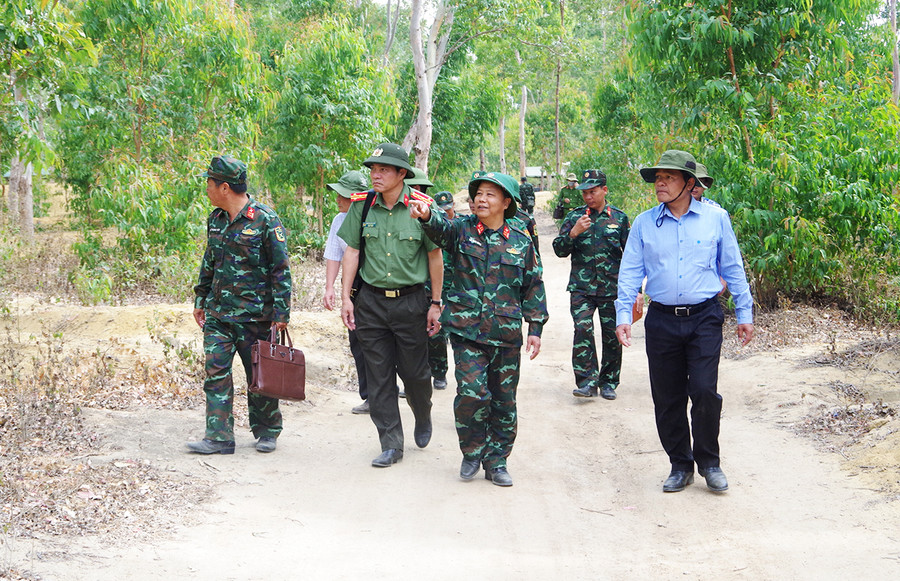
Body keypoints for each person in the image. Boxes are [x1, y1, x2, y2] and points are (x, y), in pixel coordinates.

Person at [614, 150, 754, 493]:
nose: (660, 184)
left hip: (704, 316)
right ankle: (680, 464)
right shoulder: (645, 223)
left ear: (689, 184)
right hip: (661, 320)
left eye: (669, 178)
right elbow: (630, 272)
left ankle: (709, 462)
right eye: (658, 178)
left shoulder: (715, 218)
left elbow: (733, 267)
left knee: (705, 390)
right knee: (668, 396)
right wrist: (622, 316)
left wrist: (744, 312)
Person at [409, 171, 548, 487]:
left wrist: (536, 327)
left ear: (506, 202)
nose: (481, 200)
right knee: (473, 393)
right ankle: (472, 451)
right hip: (467, 330)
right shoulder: (461, 230)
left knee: (504, 400)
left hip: (506, 334)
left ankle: (497, 461)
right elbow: (440, 229)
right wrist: (427, 214)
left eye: (490, 194)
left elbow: (533, 285)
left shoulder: (521, 240)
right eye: (478, 194)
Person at [337, 143, 443, 468]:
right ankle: (391, 443)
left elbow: (435, 255)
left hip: (411, 302)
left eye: (383, 169)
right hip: (370, 302)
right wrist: (345, 297)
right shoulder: (362, 205)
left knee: (415, 374)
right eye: (373, 169)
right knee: (378, 374)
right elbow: (352, 252)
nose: (376, 175)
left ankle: (422, 413)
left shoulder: (422, 206)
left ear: (401, 174)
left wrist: (435, 303)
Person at [188, 155, 292, 455]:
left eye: (209, 183)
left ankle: (267, 430)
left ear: (224, 187)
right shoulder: (215, 219)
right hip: (219, 314)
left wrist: (281, 312)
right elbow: (209, 262)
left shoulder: (265, 220)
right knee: (215, 371)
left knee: (259, 377)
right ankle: (219, 437)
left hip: (255, 316)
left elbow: (280, 268)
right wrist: (200, 298)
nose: (206, 188)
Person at [552, 169, 629, 401]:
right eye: (585, 192)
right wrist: (574, 233)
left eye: (592, 192)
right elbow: (559, 250)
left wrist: (635, 291)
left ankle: (608, 382)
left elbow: (631, 257)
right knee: (583, 330)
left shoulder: (620, 218)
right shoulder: (574, 218)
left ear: (604, 190)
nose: (588, 197)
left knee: (611, 336)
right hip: (581, 288)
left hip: (611, 289)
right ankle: (586, 382)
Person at [323, 170, 376, 414]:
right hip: (353, 289)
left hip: (376, 289)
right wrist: (330, 288)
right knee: (358, 342)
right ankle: (370, 396)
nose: (337, 199)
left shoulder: (375, 215)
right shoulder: (338, 220)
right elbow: (335, 253)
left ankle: (387, 388)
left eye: (342, 195)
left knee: (380, 342)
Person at [426, 191, 457, 391]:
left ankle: (439, 372)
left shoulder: (460, 228)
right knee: (430, 333)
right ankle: (427, 374)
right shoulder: (433, 227)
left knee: (443, 332)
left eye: (448, 209)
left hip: (455, 288)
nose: (445, 213)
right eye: (441, 210)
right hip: (432, 286)